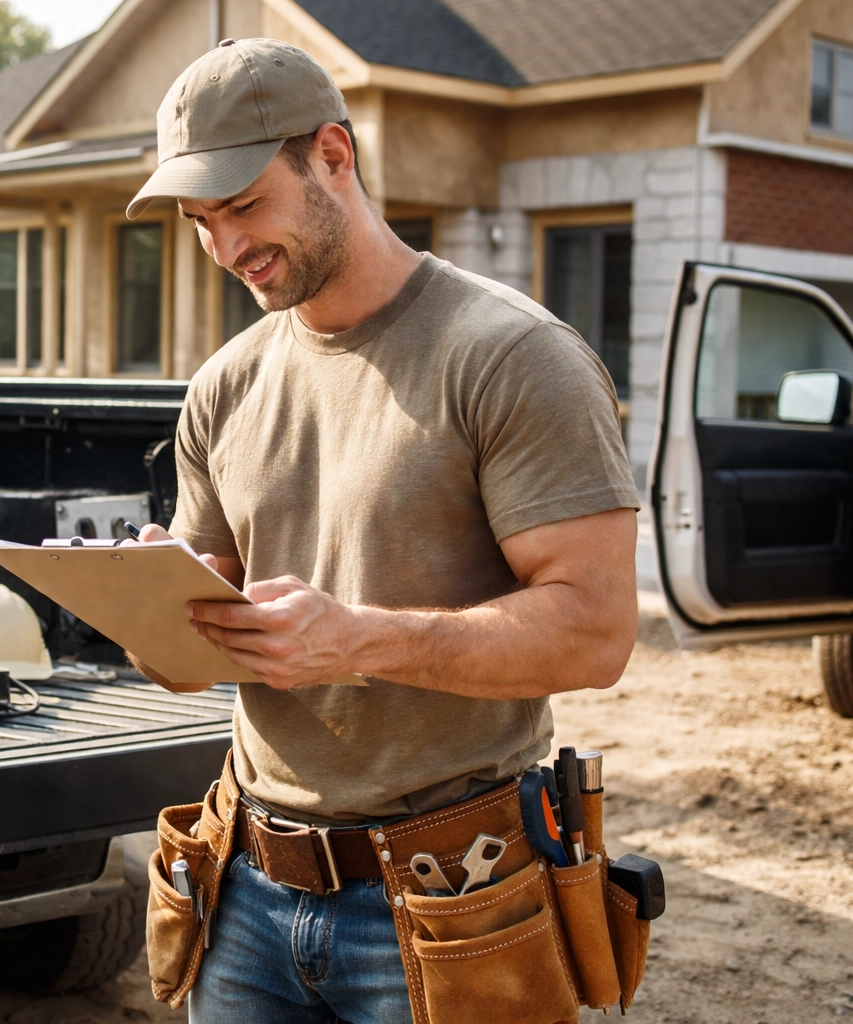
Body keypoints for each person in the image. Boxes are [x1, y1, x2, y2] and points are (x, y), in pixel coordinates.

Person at [123, 38, 640, 1024]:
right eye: (199, 222)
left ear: (334, 155)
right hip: (245, 890)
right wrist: (153, 611)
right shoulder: (225, 385)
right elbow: (197, 658)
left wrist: (359, 638)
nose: (226, 249)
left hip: (456, 897)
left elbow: (597, 632)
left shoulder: (515, 358)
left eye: (242, 206)